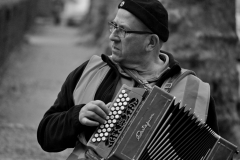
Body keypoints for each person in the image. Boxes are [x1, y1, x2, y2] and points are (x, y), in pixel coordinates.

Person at [37, 0, 219, 159]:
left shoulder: (195, 90)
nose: (112, 37)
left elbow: (208, 151)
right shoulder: (90, 71)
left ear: (151, 43)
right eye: (113, 26)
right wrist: (77, 117)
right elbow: (46, 135)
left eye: (122, 30)